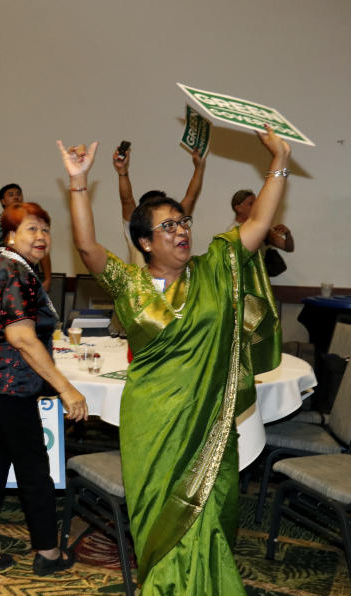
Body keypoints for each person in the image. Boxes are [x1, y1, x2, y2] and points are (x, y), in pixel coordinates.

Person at [60, 126, 288, 594]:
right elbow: (87, 248)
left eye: (183, 222)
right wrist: (79, 182)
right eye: (168, 226)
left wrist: (279, 161)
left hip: (208, 421)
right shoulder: (131, 284)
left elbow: (260, 224)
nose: (181, 230)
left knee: (210, 509)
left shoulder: (217, 268)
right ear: (144, 242)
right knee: (160, 516)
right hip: (153, 421)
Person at [0, 202, 87, 575]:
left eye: (45, 229)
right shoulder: (14, 271)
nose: (42, 236)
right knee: (34, 473)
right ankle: (48, 553)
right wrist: (66, 389)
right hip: (8, 390)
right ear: (11, 236)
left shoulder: (10, 267)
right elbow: (21, 337)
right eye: (32, 229)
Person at [113, 144, 207, 264]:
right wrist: (122, 171)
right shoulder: (138, 229)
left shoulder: (175, 227)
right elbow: (127, 200)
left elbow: (191, 197)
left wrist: (199, 167)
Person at [0, 183, 52, 291]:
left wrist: (48, 278)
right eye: (11, 195)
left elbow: (43, 252)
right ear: (3, 201)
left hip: (29, 277)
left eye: (18, 194)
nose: (16, 197)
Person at [230, 188, 295, 255]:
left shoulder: (260, 227)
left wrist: (288, 234)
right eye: (251, 204)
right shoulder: (233, 231)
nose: (256, 207)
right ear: (238, 208)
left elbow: (288, 248)